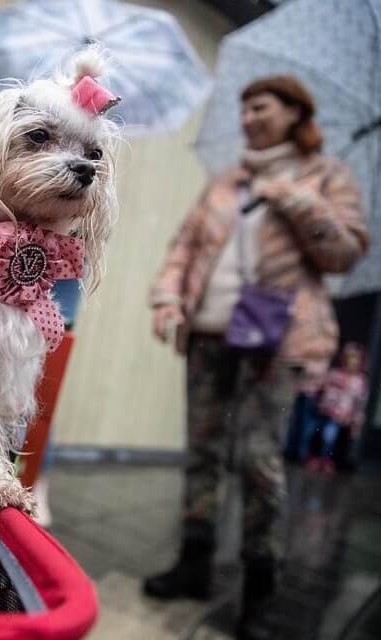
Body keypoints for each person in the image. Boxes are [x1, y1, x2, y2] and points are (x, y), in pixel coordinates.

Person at [145, 76, 368, 640]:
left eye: (260, 107)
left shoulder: (327, 176)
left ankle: (260, 587)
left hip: (279, 339)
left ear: (295, 113)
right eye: (243, 108)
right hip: (209, 334)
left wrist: (294, 196)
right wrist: (169, 298)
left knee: (257, 457)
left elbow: (345, 251)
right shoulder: (227, 181)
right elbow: (185, 246)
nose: (248, 117)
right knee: (202, 451)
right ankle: (193, 564)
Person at [306, 342, 369, 473]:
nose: (352, 363)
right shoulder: (335, 374)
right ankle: (316, 458)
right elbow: (323, 389)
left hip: (343, 416)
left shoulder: (360, 381)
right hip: (327, 412)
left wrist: (357, 420)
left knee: (331, 438)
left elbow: (359, 403)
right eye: (349, 359)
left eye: (356, 359)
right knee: (320, 434)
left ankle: (326, 460)